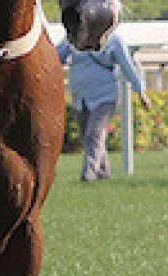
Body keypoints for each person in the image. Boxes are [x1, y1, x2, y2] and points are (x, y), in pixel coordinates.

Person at [57, 30, 145, 182]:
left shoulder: (114, 40)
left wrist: (140, 91)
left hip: (105, 96)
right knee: (88, 136)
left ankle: (89, 174)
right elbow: (57, 57)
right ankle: (103, 171)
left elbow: (127, 65)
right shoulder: (73, 37)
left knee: (94, 134)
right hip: (80, 96)